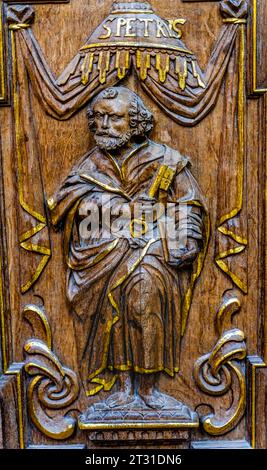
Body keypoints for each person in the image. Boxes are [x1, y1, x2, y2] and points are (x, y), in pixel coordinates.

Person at [48, 86, 208, 412]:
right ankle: (122, 388)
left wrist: (187, 240)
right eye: (98, 118)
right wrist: (113, 207)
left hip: (151, 247)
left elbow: (188, 205)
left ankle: (148, 388)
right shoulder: (90, 165)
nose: (104, 125)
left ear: (134, 123)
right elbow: (64, 205)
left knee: (143, 296)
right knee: (114, 312)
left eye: (115, 118)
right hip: (101, 251)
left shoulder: (166, 162)